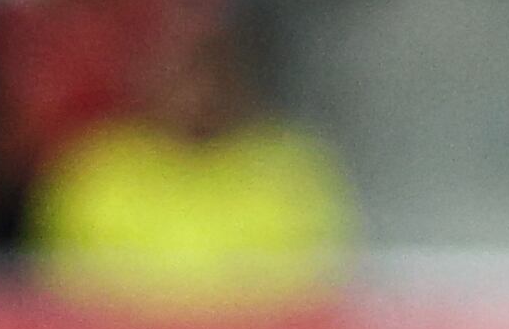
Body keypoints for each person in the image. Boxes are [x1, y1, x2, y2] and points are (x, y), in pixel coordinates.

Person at [28, 17, 351, 313]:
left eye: (213, 73)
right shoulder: (95, 168)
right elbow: (66, 292)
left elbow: (313, 289)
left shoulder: (290, 169)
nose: (198, 93)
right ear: (149, 76)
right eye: (182, 74)